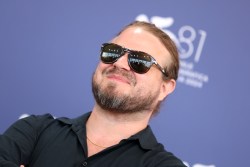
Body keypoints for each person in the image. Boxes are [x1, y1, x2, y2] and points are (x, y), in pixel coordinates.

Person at [0, 21, 186, 167]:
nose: (120, 64)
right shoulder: (35, 130)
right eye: (113, 52)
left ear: (165, 88)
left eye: (139, 61)